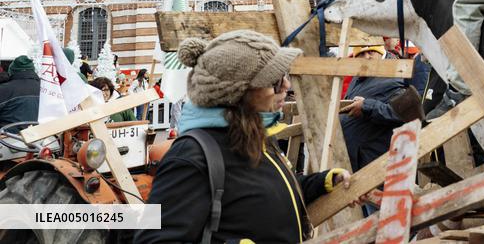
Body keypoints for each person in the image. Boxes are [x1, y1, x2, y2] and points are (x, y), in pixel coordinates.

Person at [136, 31, 349, 243]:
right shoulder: (193, 156)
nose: (286, 86)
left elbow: (267, 193)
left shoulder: (256, 137)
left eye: (284, 76)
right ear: (239, 92)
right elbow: (153, 239)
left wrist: (322, 183)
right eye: (274, 81)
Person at [340, 45, 406, 174]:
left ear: (380, 54)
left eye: (371, 52)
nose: (367, 57)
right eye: (361, 54)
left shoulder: (393, 76)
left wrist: (366, 107)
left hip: (373, 159)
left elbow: (402, 112)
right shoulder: (358, 77)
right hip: (355, 158)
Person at [0, 56, 40, 128]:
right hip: (44, 136)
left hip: (9, 136)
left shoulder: (4, 89)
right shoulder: (47, 90)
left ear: (11, 71)